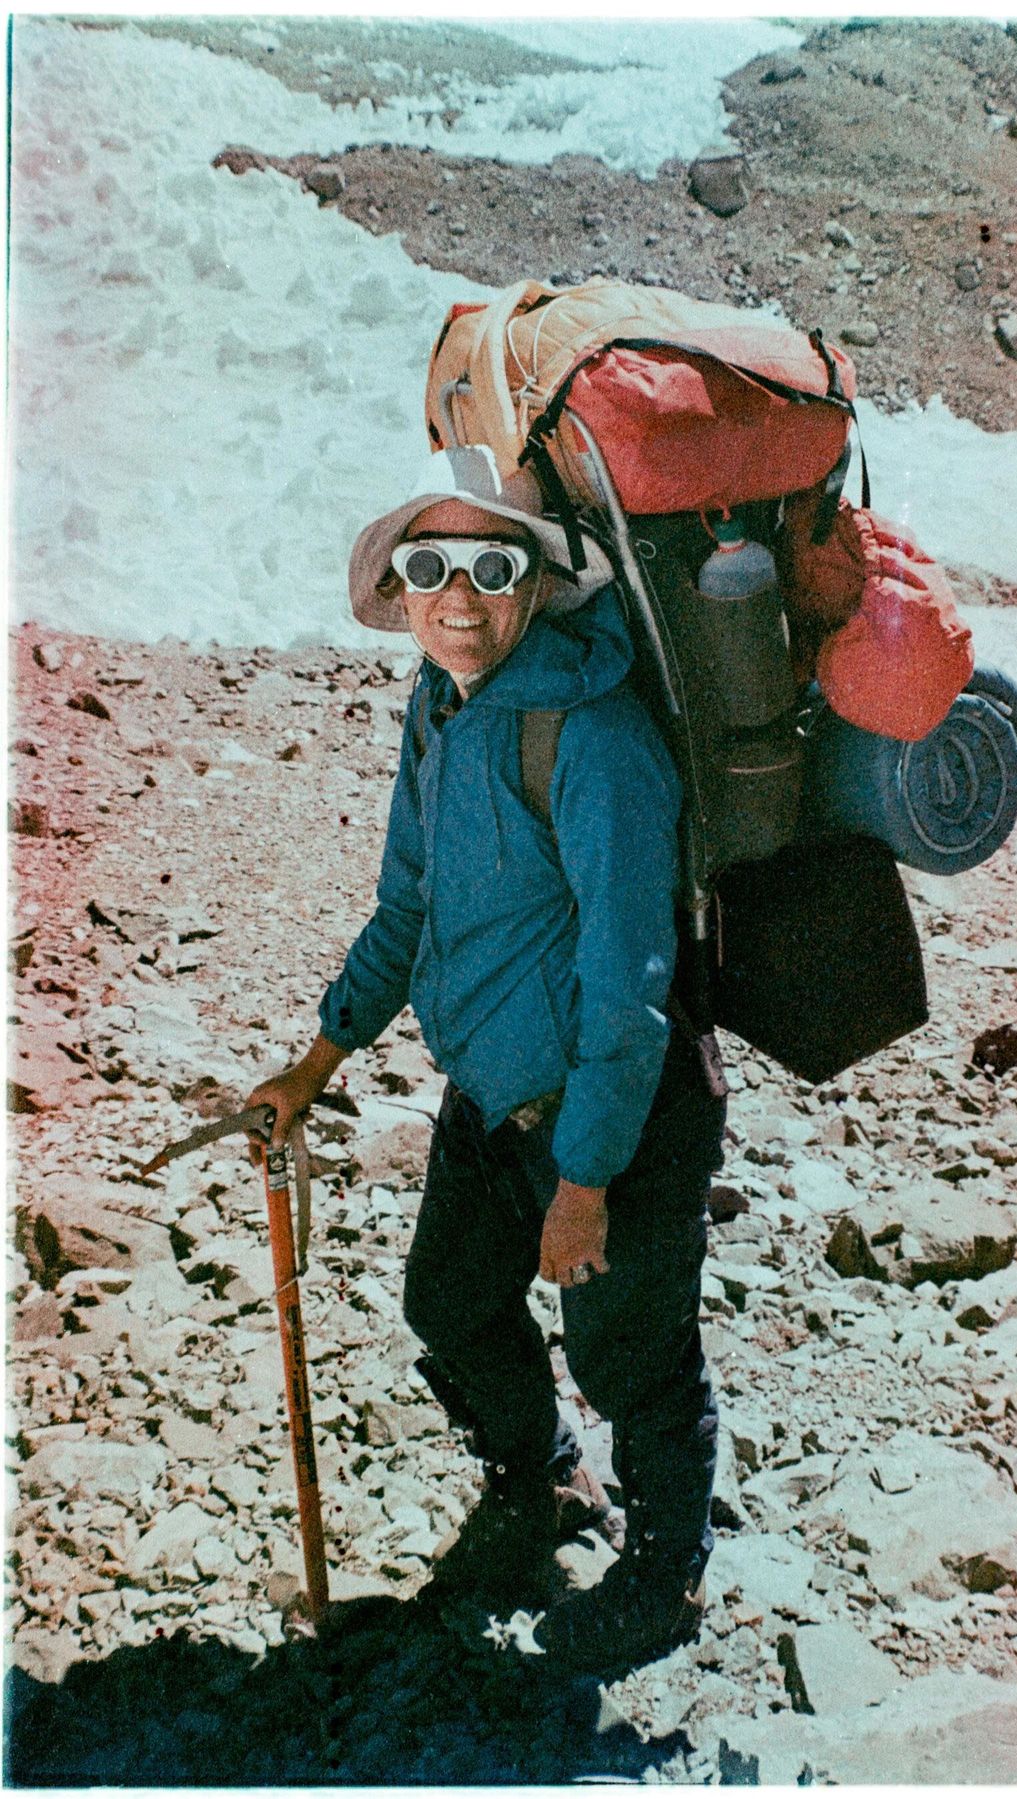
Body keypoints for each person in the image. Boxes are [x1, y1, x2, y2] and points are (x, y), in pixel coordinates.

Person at [246, 444, 727, 1675]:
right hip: (493, 1092)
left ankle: (666, 1572)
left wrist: (584, 1181)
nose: (457, 594)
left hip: (612, 1112)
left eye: (489, 564)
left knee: (630, 1354)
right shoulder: (443, 702)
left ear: (541, 581)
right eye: (429, 564)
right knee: (449, 1302)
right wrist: (320, 1056)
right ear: (402, 587)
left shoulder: (594, 738)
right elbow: (407, 895)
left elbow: (629, 984)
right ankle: (544, 1482)